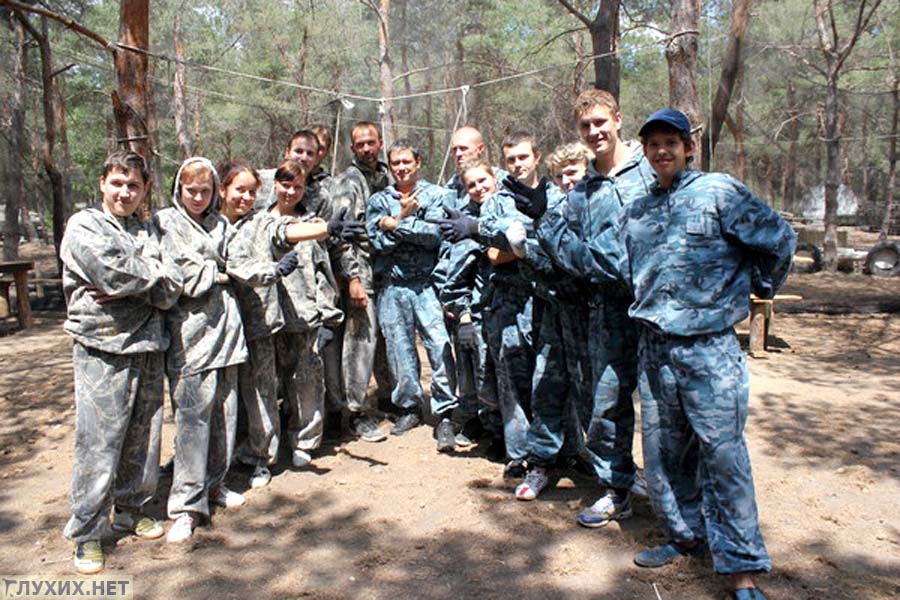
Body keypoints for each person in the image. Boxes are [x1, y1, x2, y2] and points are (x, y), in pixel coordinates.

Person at [535, 108, 792, 600]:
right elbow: (609, 264)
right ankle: (684, 536)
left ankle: (741, 568)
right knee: (664, 456)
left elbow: (779, 241)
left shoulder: (719, 192)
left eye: (671, 142)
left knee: (723, 457)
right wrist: (549, 234)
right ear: (645, 150)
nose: (662, 151)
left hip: (709, 348)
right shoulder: (638, 209)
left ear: (688, 146)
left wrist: (754, 290)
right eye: (653, 143)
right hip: (654, 348)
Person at [60, 150, 183, 574]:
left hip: (148, 345)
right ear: (102, 183)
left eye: (134, 185)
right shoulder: (84, 225)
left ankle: (132, 507)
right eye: (117, 183)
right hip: (102, 347)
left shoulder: (149, 230)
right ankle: (88, 532)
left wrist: (144, 280)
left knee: (143, 439)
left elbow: (173, 285)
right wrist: (151, 278)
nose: (125, 192)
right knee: (99, 442)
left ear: (145, 189)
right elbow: (111, 274)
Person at [156, 157, 249, 543]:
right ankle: (185, 507)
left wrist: (225, 270)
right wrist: (223, 272)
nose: (197, 197)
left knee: (225, 417)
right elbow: (184, 276)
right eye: (191, 190)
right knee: (193, 424)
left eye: (205, 190)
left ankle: (214, 485)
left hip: (227, 334)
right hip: (189, 338)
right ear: (179, 189)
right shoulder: (165, 223)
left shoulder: (220, 224)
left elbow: (242, 259)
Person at [513, 141, 596, 501]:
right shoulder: (554, 210)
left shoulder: (600, 207)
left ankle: (612, 471)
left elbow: (580, 265)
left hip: (589, 315)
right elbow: (547, 261)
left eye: (573, 173)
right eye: (560, 175)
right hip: (552, 311)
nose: (566, 181)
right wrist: (525, 251)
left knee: (595, 394)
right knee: (545, 388)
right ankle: (541, 464)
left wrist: (531, 254)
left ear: (587, 171)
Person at [365, 139, 459, 452]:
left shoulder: (436, 195)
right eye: (395, 163)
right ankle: (409, 407)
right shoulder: (379, 199)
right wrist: (406, 220)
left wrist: (396, 223)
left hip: (427, 284)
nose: (401, 168)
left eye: (407, 162)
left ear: (417, 162)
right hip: (393, 286)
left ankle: (445, 412)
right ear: (389, 167)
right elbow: (377, 242)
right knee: (399, 349)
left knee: (439, 345)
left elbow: (433, 236)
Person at [265, 159, 351, 469]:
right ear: (275, 184)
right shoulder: (258, 222)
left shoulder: (315, 223)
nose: (290, 191)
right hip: (269, 319)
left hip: (306, 317)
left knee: (307, 383)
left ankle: (304, 441)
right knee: (267, 386)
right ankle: (266, 448)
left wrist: (329, 318)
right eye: (285, 184)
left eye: (297, 186)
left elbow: (324, 273)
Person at [219, 161, 298, 489]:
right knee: (220, 400)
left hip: (258, 324)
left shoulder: (262, 221)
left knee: (261, 393)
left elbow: (284, 230)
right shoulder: (209, 225)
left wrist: (324, 229)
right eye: (240, 190)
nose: (247, 197)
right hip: (217, 329)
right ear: (223, 190)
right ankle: (216, 463)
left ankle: (263, 458)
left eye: (253, 192)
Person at [324, 121, 395, 442]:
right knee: (359, 343)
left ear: (380, 143)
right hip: (361, 272)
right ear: (352, 149)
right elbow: (343, 236)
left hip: (387, 271)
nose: (366, 148)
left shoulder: (386, 176)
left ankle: (387, 398)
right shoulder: (348, 182)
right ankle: (354, 413)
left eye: (371, 142)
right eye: (360, 144)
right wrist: (352, 277)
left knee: (380, 342)